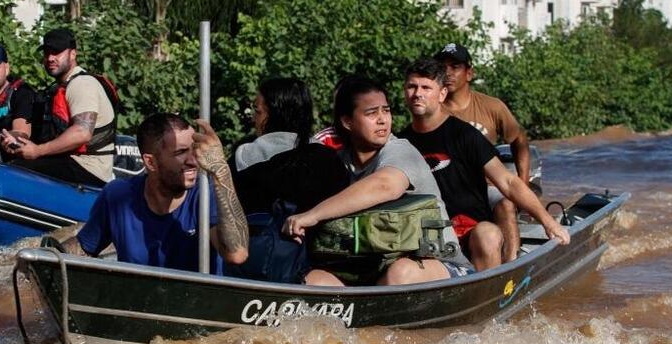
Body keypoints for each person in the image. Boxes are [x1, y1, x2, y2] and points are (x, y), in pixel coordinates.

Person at [283, 76, 472, 286]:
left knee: (401, 273)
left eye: (386, 110)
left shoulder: (401, 150)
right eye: (372, 113)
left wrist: (313, 215)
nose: (383, 119)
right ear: (347, 122)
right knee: (313, 280)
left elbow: (385, 185)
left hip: (442, 266)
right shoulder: (337, 162)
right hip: (369, 271)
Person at [398, 58, 569, 271]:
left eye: (426, 87)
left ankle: (493, 291)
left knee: (488, 234)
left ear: (442, 94)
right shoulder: (400, 143)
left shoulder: (466, 135)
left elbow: (507, 181)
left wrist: (548, 222)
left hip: (470, 231)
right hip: (426, 234)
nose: (418, 93)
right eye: (412, 87)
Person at [77, 113, 249, 273]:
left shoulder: (205, 193)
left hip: (196, 303)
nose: (193, 161)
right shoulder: (118, 195)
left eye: (194, 150)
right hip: (136, 303)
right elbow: (83, 249)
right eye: (181, 152)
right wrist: (53, 253)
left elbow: (237, 254)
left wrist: (220, 170)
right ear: (150, 162)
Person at [435, 42, 532, 263]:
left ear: (469, 73)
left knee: (506, 203)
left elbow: (519, 140)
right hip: (446, 190)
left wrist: (523, 185)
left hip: (487, 187)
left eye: (455, 66)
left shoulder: (492, 107)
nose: (447, 73)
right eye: (442, 67)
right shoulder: (432, 109)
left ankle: (510, 266)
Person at [2, 28, 115, 186]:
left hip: (88, 168)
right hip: (69, 161)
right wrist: (18, 142)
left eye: (57, 52)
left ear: (73, 54)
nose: (50, 58)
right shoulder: (60, 87)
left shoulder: (82, 84)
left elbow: (82, 133)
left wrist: (37, 151)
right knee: (12, 161)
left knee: (15, 173)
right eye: (47, 52)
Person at [232, 77, 348, 215]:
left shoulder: (244, 157)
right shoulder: (328, 159)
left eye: (258, 111)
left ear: (275, 114)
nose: (253, 119)